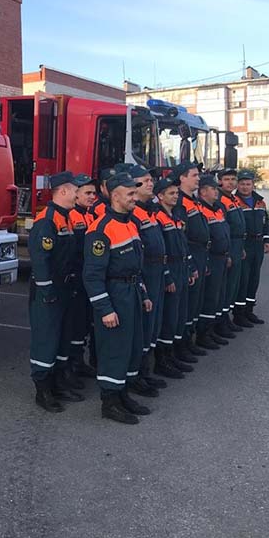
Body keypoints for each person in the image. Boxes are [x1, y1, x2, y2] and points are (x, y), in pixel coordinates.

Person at [84, 172, 153, 424]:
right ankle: (109, 402)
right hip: (115, 295)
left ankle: (123, 394)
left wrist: (143, 294)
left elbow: (136, 265)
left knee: (131, 346)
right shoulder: (101, 230)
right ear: (115, 196)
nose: (135, 197)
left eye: (135, 192)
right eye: (130, 193)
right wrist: (105, 309)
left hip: (131, 293)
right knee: (114, 349)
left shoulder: (130, 223)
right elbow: (92, 275)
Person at [28, 171, 82, 413]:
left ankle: (58, 383)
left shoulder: (65, 217)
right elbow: (41, 260)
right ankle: (43, 389)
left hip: (65, 288)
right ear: (63, 191)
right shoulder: (47, 220)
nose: (77, 195)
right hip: (49, 290)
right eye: (75, 191)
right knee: (46, 338)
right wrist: (47, 290)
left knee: (63, 337)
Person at [128, 164, 168, 395]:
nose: (151, 183)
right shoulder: (134, 214)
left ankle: (145, 371)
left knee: (152, 323)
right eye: (145, 181)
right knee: (143, 325)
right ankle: (136, 375)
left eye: (151, 180)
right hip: (144, 273)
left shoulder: (149, 211)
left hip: (156, 271)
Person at [152, 172, 196, 377]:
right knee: (169, 316)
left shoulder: (175, 217)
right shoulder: (158, 217)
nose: (175, 196)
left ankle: (174, 353)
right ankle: (162, 360)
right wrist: (168, 276)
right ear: (160, 196)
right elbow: (161, 252)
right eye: (170, 193)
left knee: (179, 314)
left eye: (176, 193)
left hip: (181, 268)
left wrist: (190, 267)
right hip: (170, 269)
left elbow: (183, 245)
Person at [178, 163, 211, 357]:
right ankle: (182, 343)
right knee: (188, 302)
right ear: (182, 178)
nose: (198, 179)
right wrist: (191, 263)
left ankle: (190, 338)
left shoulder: (194, 201)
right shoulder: (180, 202)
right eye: (194, 175)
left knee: (197, 300)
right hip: (190, 252)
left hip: (201, 252)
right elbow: (182, 236)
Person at [195, 174, 232, 349]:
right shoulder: (201, 210)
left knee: (219, 295)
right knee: (210, 297)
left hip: (222, 257)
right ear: (203, 192)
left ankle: (214, 328)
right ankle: (203, 334)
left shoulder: (217, 209)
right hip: (212, 258)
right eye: (212, 188)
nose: (216, 191)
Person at [67, 174, 98, 379]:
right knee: (75, 323)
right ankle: (72, 364)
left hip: (87, 278)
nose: (92, 197)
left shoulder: (90, 215)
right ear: (76, 194)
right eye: (88, 193)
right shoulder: (71, 216)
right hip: (76, 279)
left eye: (94, 193)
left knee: (85, 321)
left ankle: (79, 361)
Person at [235, 170, 269, 325]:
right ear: (238, 185)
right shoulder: (235, 201)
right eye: (242, 184)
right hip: (244, 244)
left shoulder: (260, 202)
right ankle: (239, 314)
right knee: (243, 279)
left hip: (258, 244)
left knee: (254, 278)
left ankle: (249, 311)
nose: (245, 187)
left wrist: (267, 240)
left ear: (253, 185)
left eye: (248, 184)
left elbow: (265, 223)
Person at [218, 168, 246, 336]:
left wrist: (240, 247)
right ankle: (221, 321)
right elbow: (224, 229)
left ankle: (227, 317)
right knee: (226, 286)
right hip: (229, 245)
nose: (230, 182)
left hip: (237, 244)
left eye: (233, 179)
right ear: (220, 181)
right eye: (226, 179)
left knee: (234, 284)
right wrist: (228, 252)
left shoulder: (234, 199)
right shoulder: (220, 200)